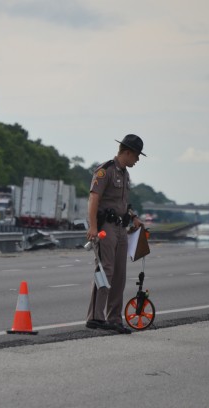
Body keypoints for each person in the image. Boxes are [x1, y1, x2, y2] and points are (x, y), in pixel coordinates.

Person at [85, 134, 145, 334]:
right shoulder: (105, 171)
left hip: (121, 228)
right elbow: (94, 199)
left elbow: (123, 203)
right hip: (105, 228)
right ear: (127, 152)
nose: (137, 161)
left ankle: (114, 318)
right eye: (136, 156)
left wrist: (133, 217)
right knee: (105, 270)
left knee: (119, 275)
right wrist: (93, 227)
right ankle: (95, 316)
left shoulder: (125, 174)